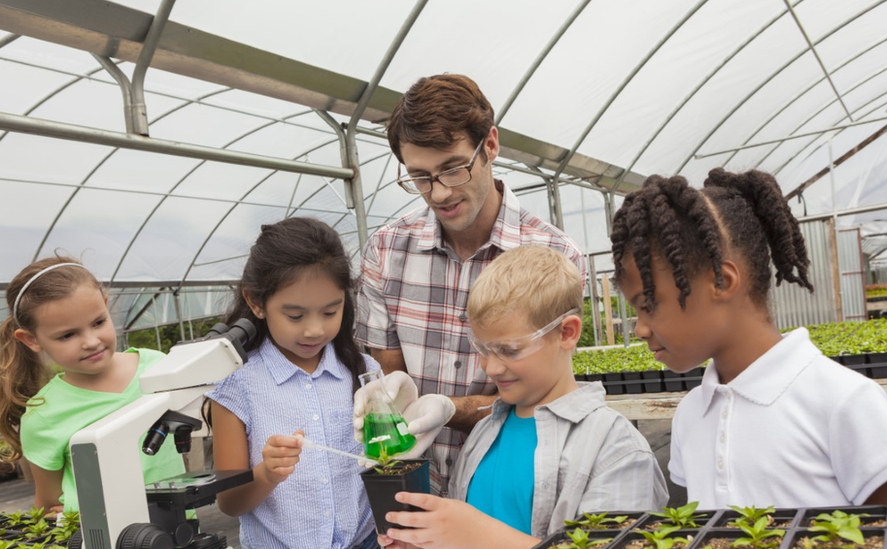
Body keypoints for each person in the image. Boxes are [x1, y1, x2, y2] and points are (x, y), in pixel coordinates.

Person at [610, 168, 887, 507]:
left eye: (649, 304)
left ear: (721, 282)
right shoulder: (691, 414)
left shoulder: (843, 402)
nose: (640, 329)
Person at [356, 74, 589, 494]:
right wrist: (391, 401)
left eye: (453, 169)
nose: (439, 193)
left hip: (512, 488)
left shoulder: (556, 257)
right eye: (420, 177)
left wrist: (448, 410)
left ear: (491, 146)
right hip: (414, 485)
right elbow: (389, 380)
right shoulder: (387, 252)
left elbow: (545, 399)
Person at [378, 245, 668, 549]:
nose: (492, 367)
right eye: (483, 349)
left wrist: (478, 534)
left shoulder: (615, 449)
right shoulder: (484, 433)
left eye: (509, 350)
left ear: (567, 333)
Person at [206, 217, 380, 549]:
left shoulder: (363, 371)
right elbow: (228, 503)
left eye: (330, 312)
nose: (314, 330)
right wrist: (267, 475)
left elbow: (386, 462)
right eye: (296, 316)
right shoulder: (235, 385)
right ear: (256, 302)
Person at [0, 257, 187, 514]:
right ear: (31, 340)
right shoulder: (43, 416)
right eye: (67, 335)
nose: (91, 341)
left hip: (179, 528)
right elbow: (50, 504)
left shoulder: (158, 369)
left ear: (106, 307)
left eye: (98, 322)